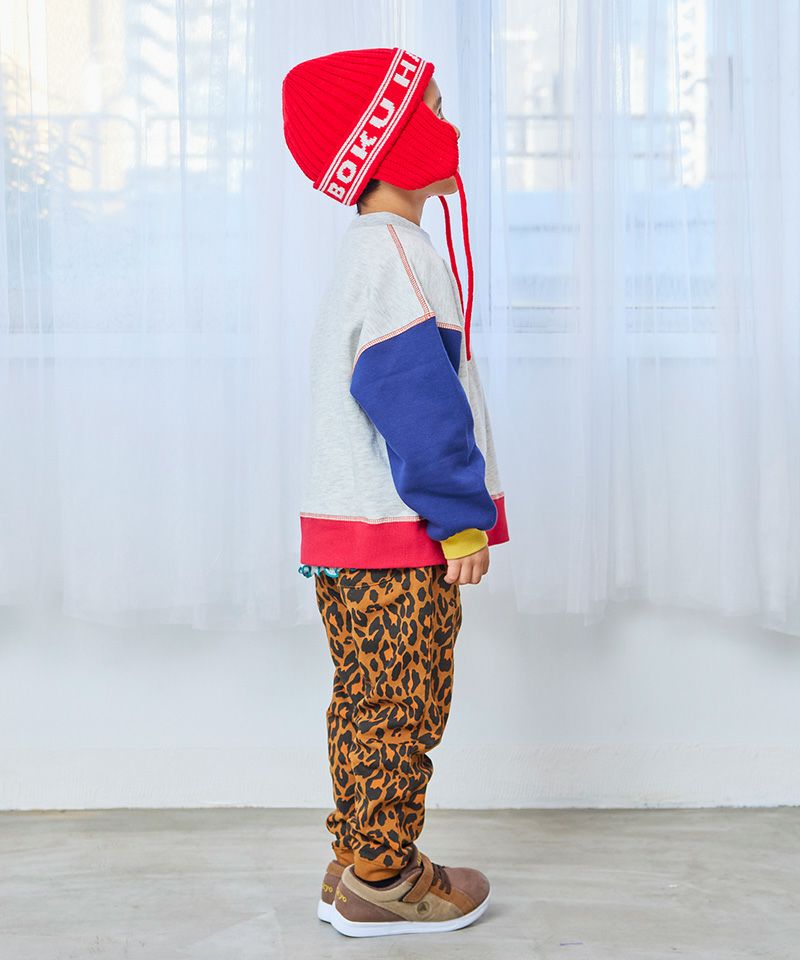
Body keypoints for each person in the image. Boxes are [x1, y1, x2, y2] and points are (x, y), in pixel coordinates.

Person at [281, 46, 510, 938]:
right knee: (402, 707)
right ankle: (383, 881)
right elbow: (417, 402)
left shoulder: (369, 252)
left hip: (349, 542)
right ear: (387, 139)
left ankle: (355, 857)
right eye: (434, 109)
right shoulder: (398, 254)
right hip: (397, 537)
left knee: (365, 701)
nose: (450, 127)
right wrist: (461, 522)